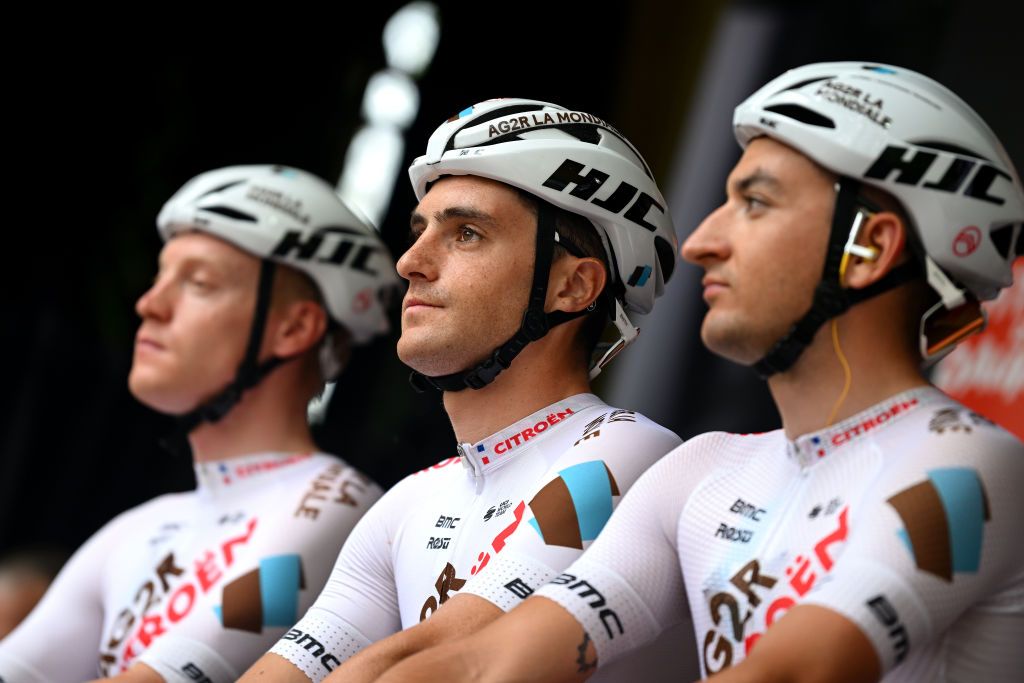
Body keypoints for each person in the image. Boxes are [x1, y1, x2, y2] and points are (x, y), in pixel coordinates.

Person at [363, 63, 1024, 683]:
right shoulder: (702, 470)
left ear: (870, 247)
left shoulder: (971, 464)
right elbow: (483, 662)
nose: (702, 241)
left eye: (756, 203)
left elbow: (796, 671)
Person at [238, 98, 685, 683]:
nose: (409, 263)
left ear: (573, 286)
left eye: (466, 234)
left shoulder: (630, 452)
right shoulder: (407, 506)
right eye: (420, 231)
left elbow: (437, 664)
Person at [0, 165, 400, 682]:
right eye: (158, 277)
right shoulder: (136, 530)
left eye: (199, 282)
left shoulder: (335, 504)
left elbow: (169, 678)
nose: (149, 305)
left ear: (294, 328)